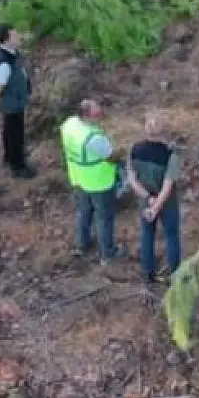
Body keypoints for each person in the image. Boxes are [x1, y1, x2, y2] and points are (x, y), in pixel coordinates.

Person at [62, 99, 120, 263]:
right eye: (96, 111)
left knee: (84, 212)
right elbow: (111, 157)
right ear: (87, 115)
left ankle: (83, 243)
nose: (100, 112)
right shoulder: (93, 138)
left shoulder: (70, 124)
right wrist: (121, 153)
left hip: (78, 178)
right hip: (99, 182)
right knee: (104, 219)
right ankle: (108, 253)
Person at [127, 113, 181, 284]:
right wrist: (157, 206)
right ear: (162, 131)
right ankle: (175, 274)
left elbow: (132, 179)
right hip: (167, 203)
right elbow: (167, 186)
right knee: (171, 236)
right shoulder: (171, 154)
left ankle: (148, 273)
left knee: (147, 235)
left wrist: (148, 199)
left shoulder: (135, 150)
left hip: (146, 201)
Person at [0, 24, 35, 178]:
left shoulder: (10, 53)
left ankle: (9, 156)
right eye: (14, 35)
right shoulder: (5, 63)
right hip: (12, 102)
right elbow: (0, 86)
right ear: (6, 40)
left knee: (9, 130)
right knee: (15, 134)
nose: (18, 37)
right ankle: (18, 166)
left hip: (15, 100)